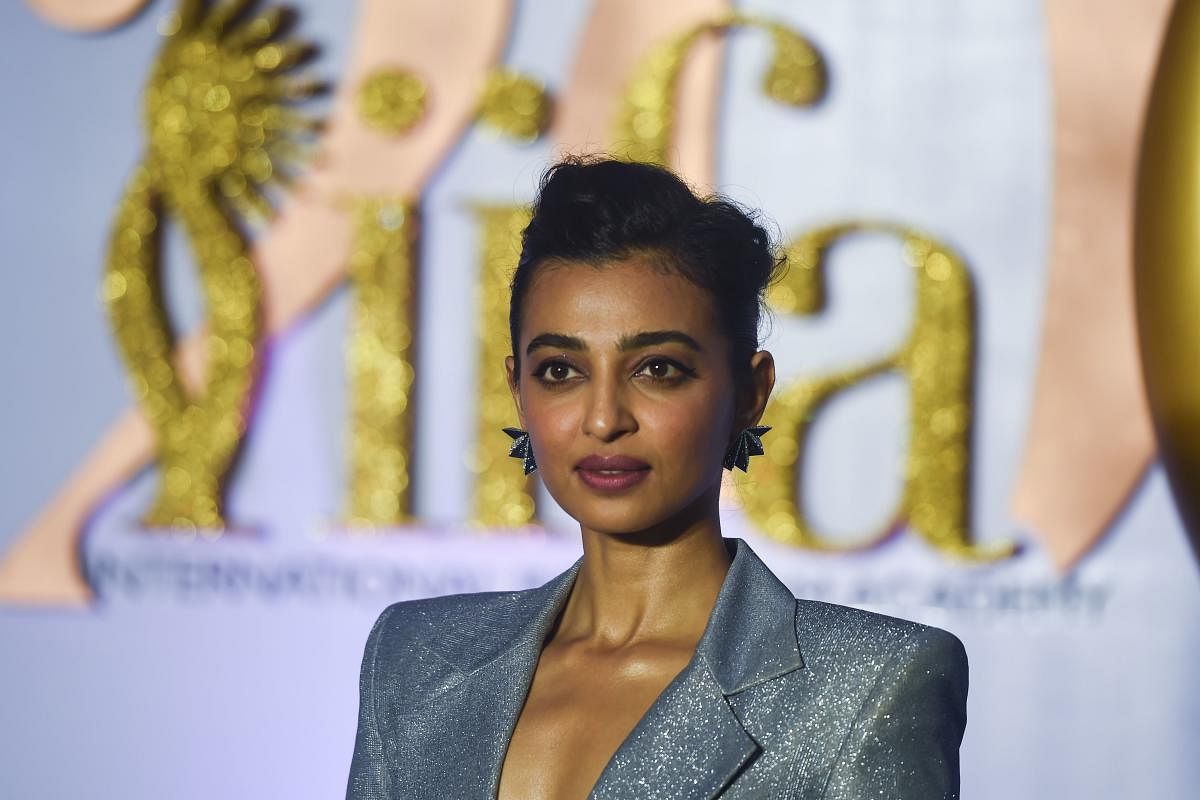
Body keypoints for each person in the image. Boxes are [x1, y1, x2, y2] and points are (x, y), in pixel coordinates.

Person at [346, 157, 968, 800]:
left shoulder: (867, 688)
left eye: (658, 370)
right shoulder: (415, 660)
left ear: (750, 392)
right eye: (561, 370)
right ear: (518, 390)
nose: (604, 418)